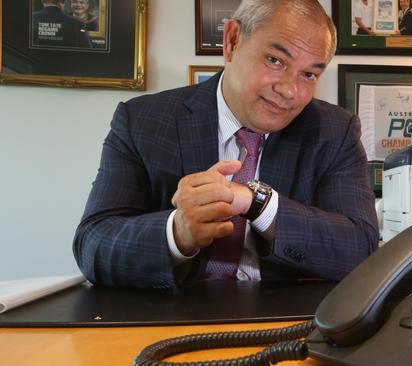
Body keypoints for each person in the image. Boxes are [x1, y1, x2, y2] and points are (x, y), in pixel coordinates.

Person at [73, 0, 379, 291]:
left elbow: (359, 250)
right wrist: (178, 232)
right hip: (166, 317)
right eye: (275, 60)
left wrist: (256, 202)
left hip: (281, 323)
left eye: (309, 74)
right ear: (232, 41)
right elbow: (93, 245)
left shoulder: (335, 131)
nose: (290, 91)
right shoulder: (143, 121)